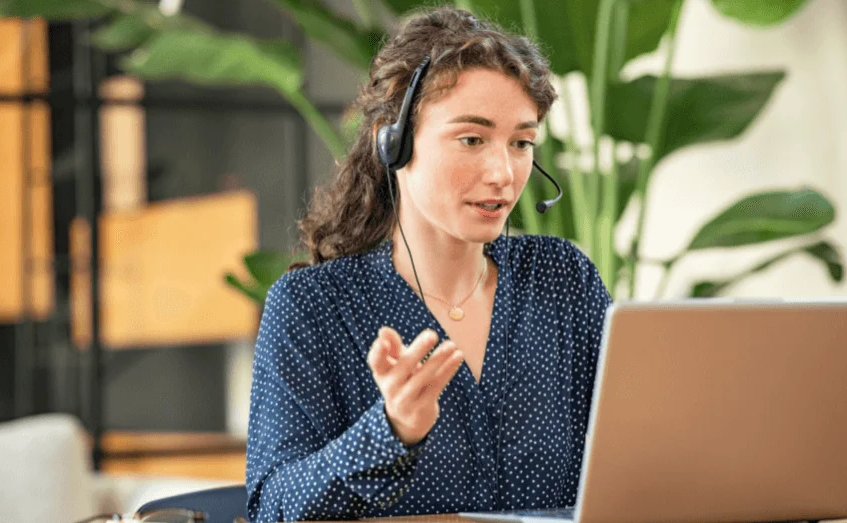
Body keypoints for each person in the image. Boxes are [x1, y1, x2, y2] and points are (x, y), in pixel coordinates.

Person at [245, 6, 613, 522]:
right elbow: (273, 508)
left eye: (522, 143)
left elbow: (633, 458)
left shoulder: (562, 279)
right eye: (471, 139)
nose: (503, 173)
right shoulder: (312, 307)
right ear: (393, 143)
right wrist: (391, 431)